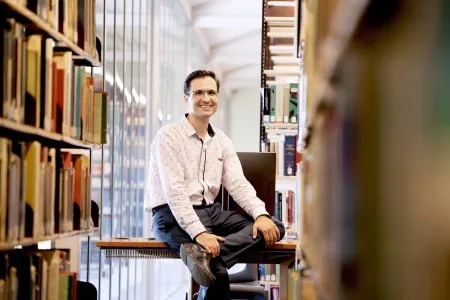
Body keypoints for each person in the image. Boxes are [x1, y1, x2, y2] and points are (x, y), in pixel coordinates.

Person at [145, 70, 285, 300]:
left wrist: (260, 214)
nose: (206, 98)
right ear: (186, 98)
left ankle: (204, 257)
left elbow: (238, 184)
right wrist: (199, 233)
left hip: (211, 212)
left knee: (273, 225)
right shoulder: (168, 136)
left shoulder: (221, 141)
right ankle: (208, 259)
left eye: (211, 92)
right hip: (170, 214)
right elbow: (175, 193)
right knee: (217, 274)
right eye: (198, 92)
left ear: (217, 97)